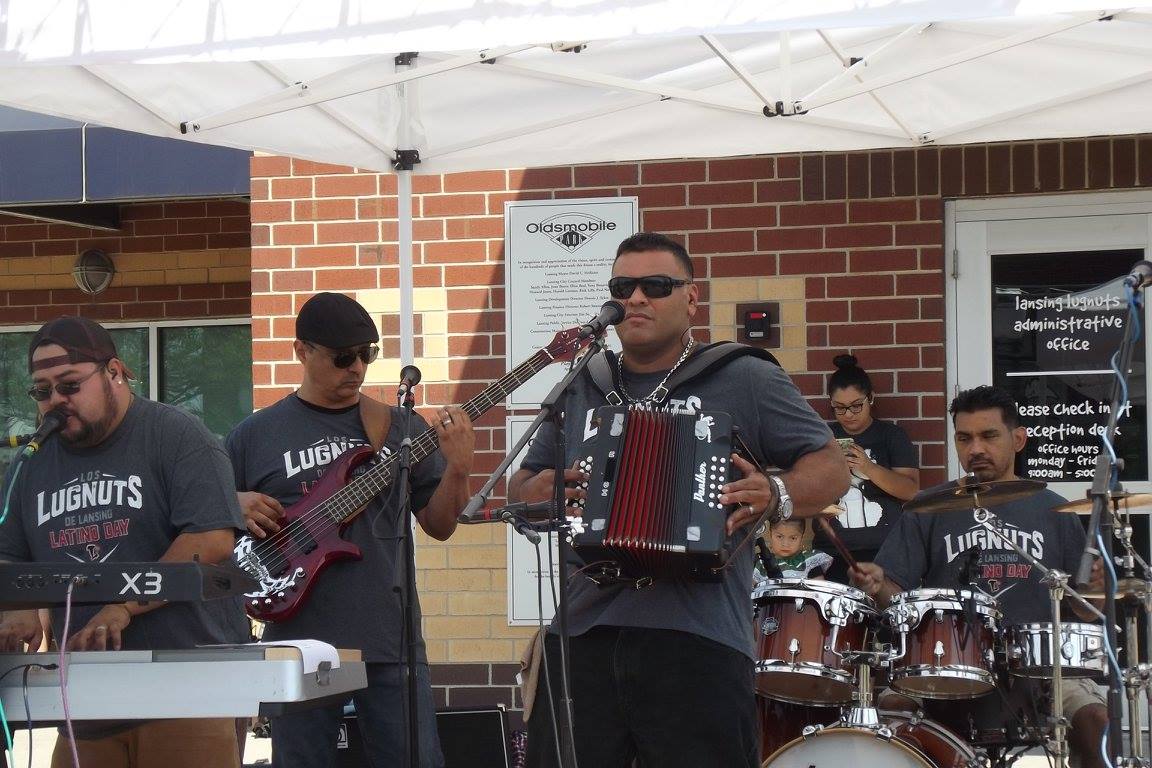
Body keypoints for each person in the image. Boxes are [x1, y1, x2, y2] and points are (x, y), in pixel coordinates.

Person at [509, 232, 850, 768]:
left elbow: (831, 468)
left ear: (692, 299)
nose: (637, 298)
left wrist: (778, 492)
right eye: (624, 286)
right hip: (583, 632)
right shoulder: (582, 383)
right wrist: (557, 490)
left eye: (657, 285)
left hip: (698, 634)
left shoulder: (744, 376)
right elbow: (524, 483)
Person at [226, 292, 475, 768]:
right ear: (302, 351)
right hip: (296, 640)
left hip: (389, 637)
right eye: (343, 357)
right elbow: (203, 521)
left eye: (368, 354)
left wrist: (459, 469)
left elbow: (440, 526)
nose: (357, 368)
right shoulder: (255, 435)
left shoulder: (399, 427)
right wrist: (232, 503)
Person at [0, 316, 249, 768]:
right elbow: (10, 554)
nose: (55, 401)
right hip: (83, 702)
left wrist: (123, 604)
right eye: (42, 391)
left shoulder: (175, 435)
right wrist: (16, 604)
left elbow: (211, 538)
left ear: (114, 372)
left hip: (186, 693)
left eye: (69, 385)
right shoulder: (32, 462)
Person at [851, 385, 1108, 768]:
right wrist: (875, 584)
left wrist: (1098, 592)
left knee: (1097, 722)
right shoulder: (930, 508)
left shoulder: (1058, 511)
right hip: (948, 660)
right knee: (893, 716)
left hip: (1037, 666)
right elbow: (895, 594)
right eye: (964, 437)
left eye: (989, 436)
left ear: (1018, 439)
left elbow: (1085, 610)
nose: (975, 449)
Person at [815, 354, 919, 583]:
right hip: (830, 553)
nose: (849, 414)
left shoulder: (891, 436)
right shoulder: (822, 437)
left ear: (871, 398)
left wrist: (868, 467)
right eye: (839, 408)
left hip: (884, 550)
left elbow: (911, 490)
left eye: (856, 405)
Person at [755, 518, 832, 582]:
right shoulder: (761, 565)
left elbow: (819, 592)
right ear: (770, 534)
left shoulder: (810, 561)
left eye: (793, 538)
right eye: (779, 537)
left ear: (802, 537)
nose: (785, 544)